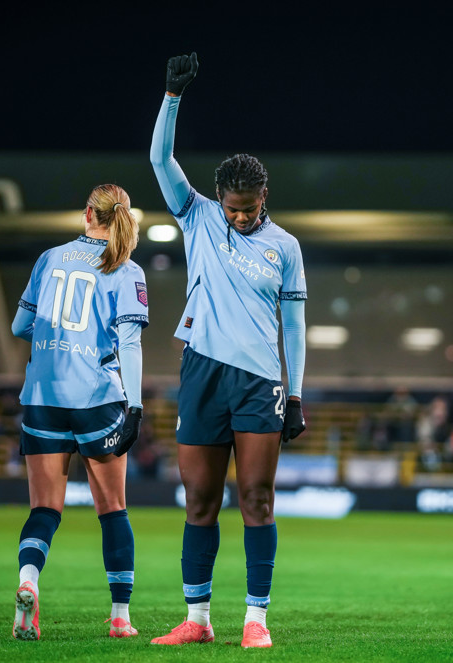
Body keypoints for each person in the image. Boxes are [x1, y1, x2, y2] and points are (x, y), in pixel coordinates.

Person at [149, 53, 307, 649]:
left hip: (259, 381)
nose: (241, 217)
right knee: (199, 501)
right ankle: (197, 619)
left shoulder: (285, 247)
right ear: (218, 197)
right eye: (233, 208)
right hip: (202, 373)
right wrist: (172, 97)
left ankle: (256, 620)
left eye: (251, 207)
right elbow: (160, 159)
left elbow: (295, 325)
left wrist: (295, 395)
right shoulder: (198, 217)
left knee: (257, 498)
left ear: (265, 196)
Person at [10, 183, 147, 641]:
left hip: (42, 397)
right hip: (96, 398)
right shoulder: (126, 268)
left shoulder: (49, 258)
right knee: (112, 510)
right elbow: (130, 344)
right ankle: (120, 617)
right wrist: (135, 405)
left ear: (88, 213)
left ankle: (28, 580)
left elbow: (20, 325)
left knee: (44, 509)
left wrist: (57, 341)